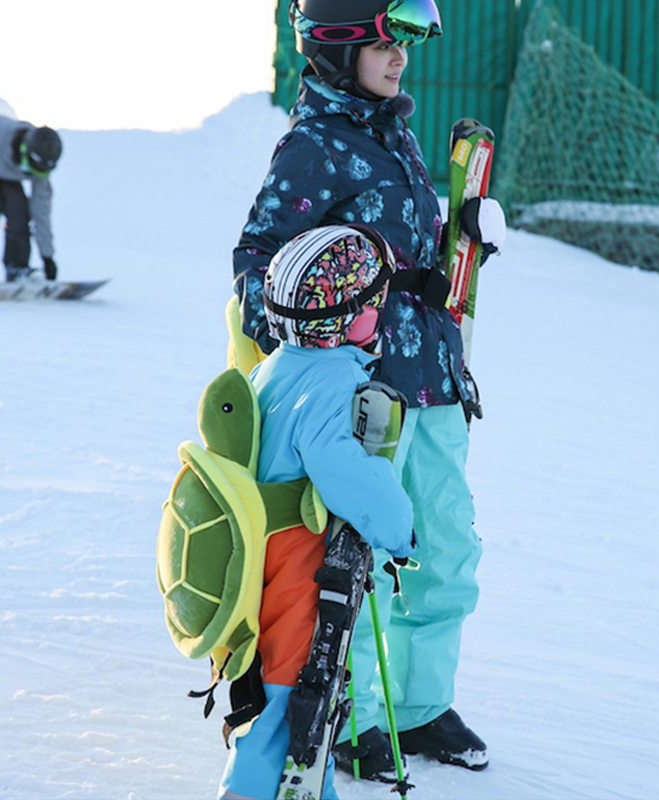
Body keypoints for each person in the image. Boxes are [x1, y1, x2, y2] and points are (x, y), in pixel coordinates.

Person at [232, 0, 506, 784]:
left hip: (437, 378)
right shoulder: (313, 147)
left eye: (404, 46)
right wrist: (314, 337)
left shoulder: (397, 132)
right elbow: (259, 262)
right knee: (370, 557)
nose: (400, 60)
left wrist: (465, 235)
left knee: (446, 549)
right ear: (338, 45)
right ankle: (358, 719)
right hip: (369, 386)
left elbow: (414, 258)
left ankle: (420, 707)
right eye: (385, 44)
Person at [218, 224, 414, 799]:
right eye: (374, 303)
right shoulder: (331, 382)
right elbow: (350, 477)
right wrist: (399, 531)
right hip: (300, 558)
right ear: (350, 315)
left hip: (258, 549)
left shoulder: (273, 365)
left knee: (299, 682)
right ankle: (249, 790)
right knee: (294, 685)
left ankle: (308, 787)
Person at [0, 114, 62, 282]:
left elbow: (41, 214)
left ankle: (17, 268)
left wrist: (47, 257)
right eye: (32, 170)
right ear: (24, 154)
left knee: (19, 211)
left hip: (7, 171)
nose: (34, 176)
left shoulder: (40, 162)